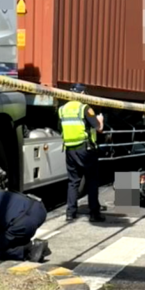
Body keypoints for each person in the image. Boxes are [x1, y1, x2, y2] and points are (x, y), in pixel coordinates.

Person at [59, 84, 105, 222]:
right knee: (91, 180)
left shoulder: (62, 109)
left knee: (73, 182)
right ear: (83, 93)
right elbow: (99, 128)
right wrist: (101, 120)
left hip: (69, 149)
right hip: (85, 149)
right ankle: (94, 213)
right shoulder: (84, 108)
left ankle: (70, 213)